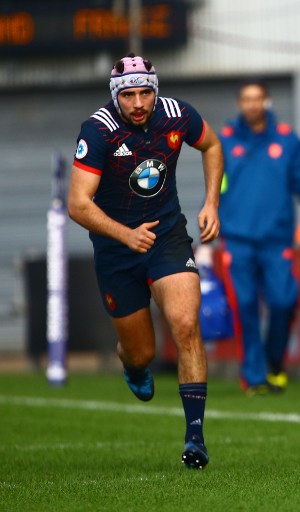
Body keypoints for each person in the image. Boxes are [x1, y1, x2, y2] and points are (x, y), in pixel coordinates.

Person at [68, 53, 223, 469]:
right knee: (141, 352)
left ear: (156, 91)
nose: (139, 103)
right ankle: (132, 367)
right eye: (129, 95)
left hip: (167, 237)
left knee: (187, 325)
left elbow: (211, 144)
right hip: (117, 249)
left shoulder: (176, 115)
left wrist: (211, 202)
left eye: (146, 93)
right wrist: (125, 234)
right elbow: (78, 205)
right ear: (117, 97)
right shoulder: (98, 131)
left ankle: (195, 439)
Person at [218, 80, 300, 395]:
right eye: (247, 98)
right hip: (237, 239)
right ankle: (254, 377)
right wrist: (208, 227)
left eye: (258, 98)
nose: (252, 104)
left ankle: (273, 362)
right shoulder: (224, 141)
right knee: (246, 305)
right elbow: (215, 186)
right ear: (240, 103)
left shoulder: (287, 140)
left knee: (284, 301)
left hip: (276, 240)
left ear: (266, 101)